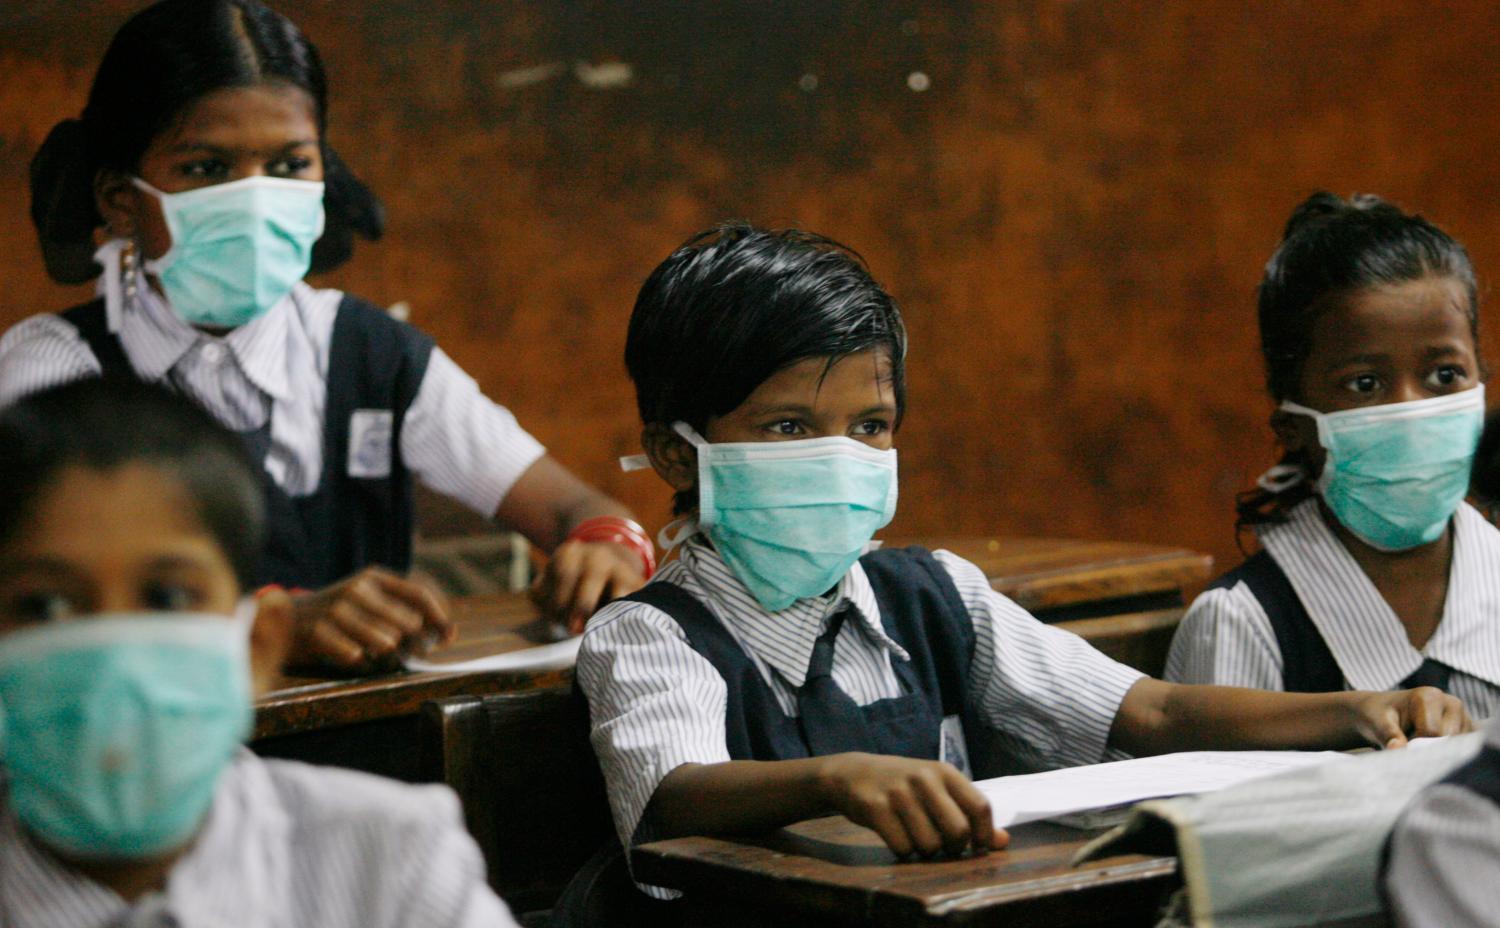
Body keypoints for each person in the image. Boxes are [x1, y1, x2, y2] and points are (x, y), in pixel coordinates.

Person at [573, 223, 1470, 906]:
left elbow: (1151, 709)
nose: (840, 456)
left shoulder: (936, 599)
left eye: (870, 426)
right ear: (677, 453)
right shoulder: (650, 635)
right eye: (788, 428)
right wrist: (834, 777)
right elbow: (673, 795)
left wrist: (1359, 711)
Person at [0, 0, 652, 672]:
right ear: (121, 200)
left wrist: (609, 545)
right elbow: (40, 618)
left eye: (289, 165)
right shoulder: (56, 377)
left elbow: (573, 507)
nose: (254, 197)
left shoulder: (370, 354)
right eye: (205, 168)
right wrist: (269, 625)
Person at [0, 379, 516, 927]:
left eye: (168, 597)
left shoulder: (386, 858)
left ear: (257, 647)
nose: (112, 660)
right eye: (45, 606)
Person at [1164, 193, 1500, 719]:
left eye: (1444, 375)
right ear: (1294, 426)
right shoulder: (1244, 625)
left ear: (1482, 383)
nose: (1410, 412)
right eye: (1365, 384)